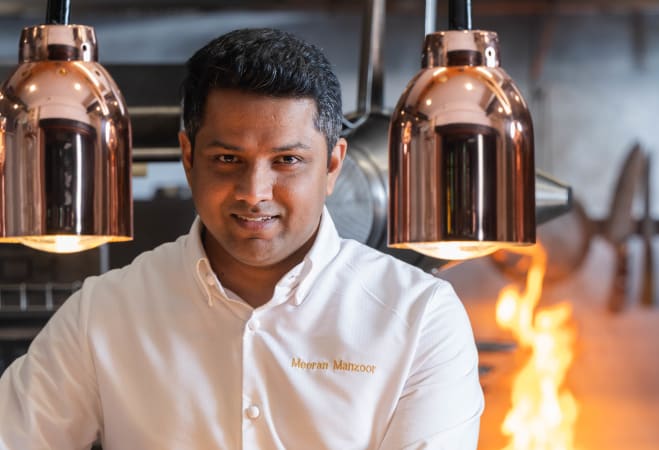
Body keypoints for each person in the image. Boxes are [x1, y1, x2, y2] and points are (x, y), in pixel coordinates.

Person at [0, 28, 484, 449]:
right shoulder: (104, 312)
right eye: (228, 159)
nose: (254, 193)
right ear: (188, 157)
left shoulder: (419, 316)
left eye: (287, 161)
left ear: (333, 164)